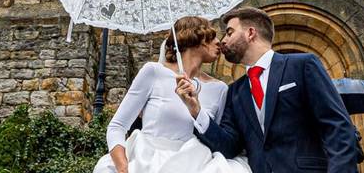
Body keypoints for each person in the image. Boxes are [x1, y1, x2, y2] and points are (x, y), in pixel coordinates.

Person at [175, 7, 360, 173]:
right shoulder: (235, 92)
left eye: (229, 32)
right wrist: (196, 110)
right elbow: (228, 147)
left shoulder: (302, 65)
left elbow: (337, 126)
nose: (223, 41)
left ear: (250, 33)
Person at [93, 16, 252, 173]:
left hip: (197, 164)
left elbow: (218, 141)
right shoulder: (153, 72)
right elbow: (117, 127)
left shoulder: (220, 89)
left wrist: (196, 110)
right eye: (211, 37)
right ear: (195, 38)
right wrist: (123, 168)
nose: (219, 42)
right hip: (147, 160)